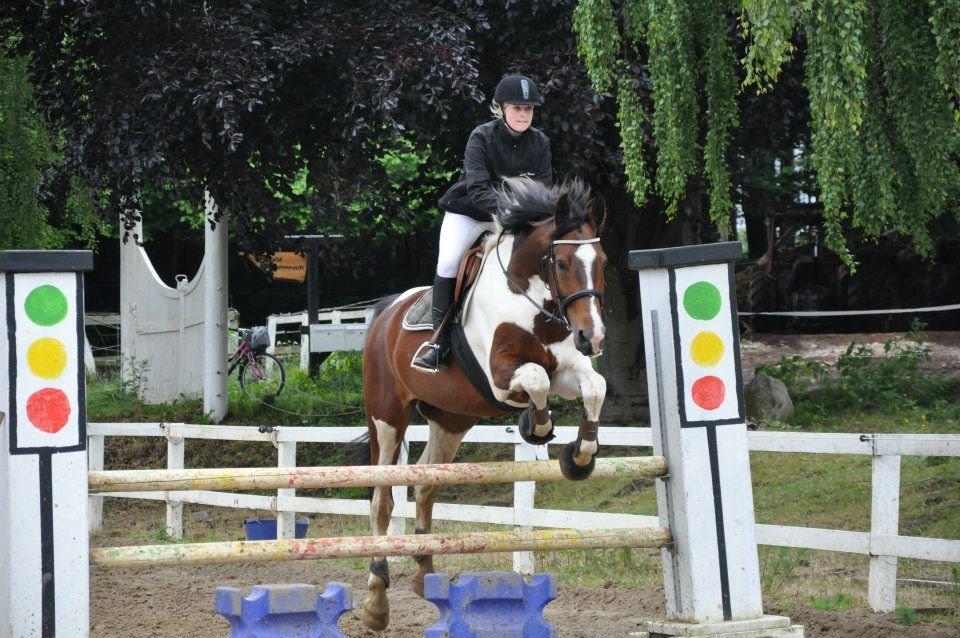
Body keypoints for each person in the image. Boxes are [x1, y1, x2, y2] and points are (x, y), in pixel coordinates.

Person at [412, 73, 553, 372]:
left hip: (515, 219)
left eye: (528, 109)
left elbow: (543, 191)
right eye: (517, 108)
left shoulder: (540, 142)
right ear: (501, 109)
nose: (523, 114)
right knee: (449, 263)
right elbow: (477, 191)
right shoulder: (482, 137)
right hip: (470, 214)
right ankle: (439, 342)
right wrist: (515, 211)